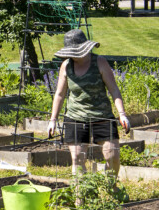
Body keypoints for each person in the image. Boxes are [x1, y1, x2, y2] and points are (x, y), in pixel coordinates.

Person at [46, 29, 131, 175]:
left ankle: (112, 188)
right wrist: (53, 120)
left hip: (102, 115)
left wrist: (122, 114)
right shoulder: (66, 66)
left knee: (112, 156)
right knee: (77, 158)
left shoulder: (99, 62)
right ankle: (81, 196)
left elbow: (114, 90)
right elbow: (60, 94)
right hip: (75, 117)